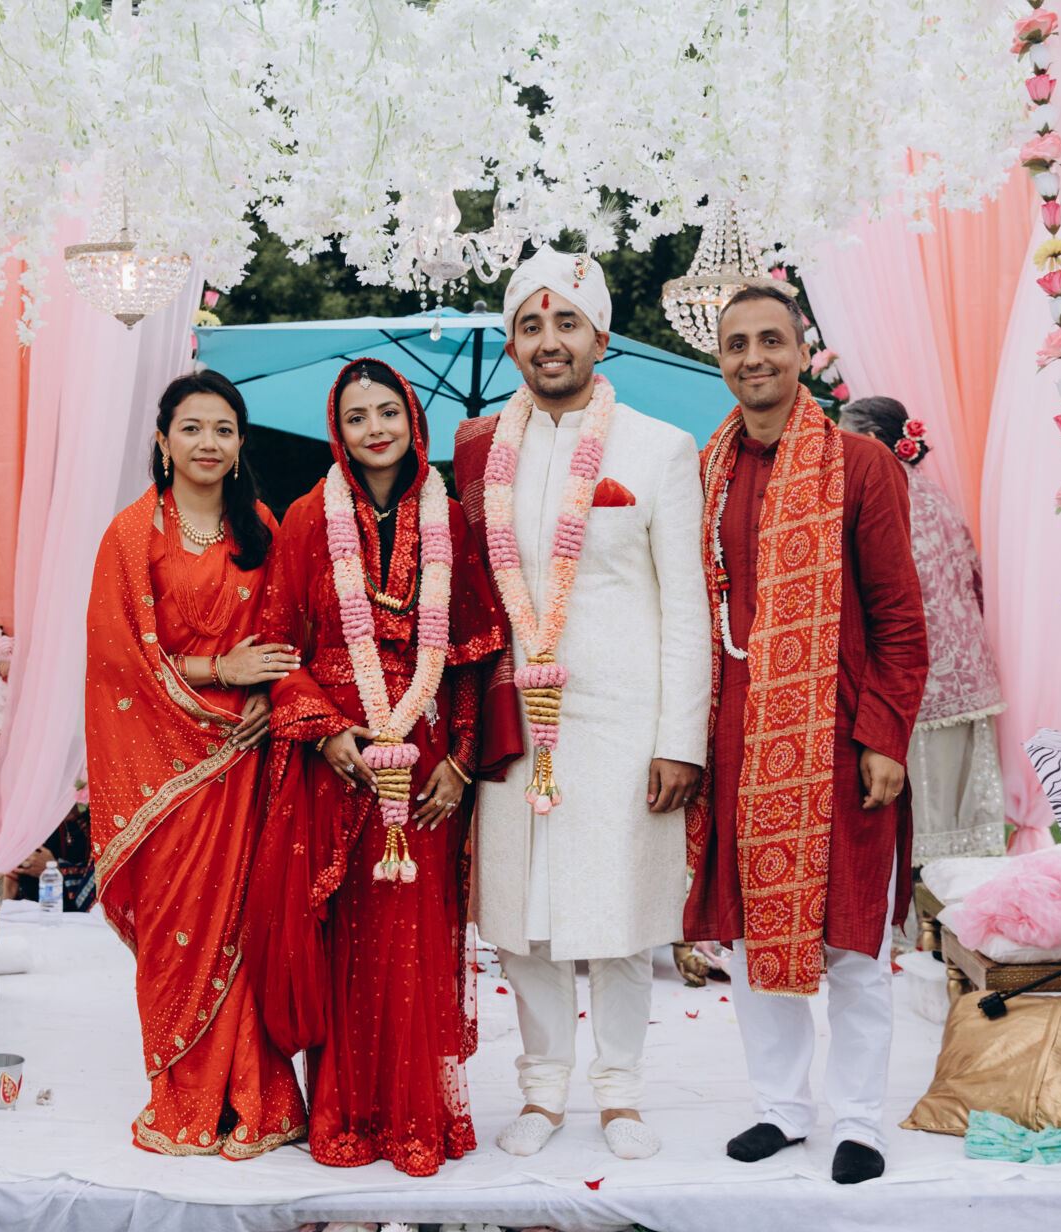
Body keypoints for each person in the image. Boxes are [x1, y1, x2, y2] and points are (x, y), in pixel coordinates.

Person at [453, 247, 711, 1162]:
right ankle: (543, 1088)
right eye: (530, 325)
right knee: (523, 915)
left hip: (622, 720)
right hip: (514, 716)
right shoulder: (481, 451)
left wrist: (681, 740)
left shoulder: (658, 447)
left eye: (566, 322)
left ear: (601, 337)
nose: (548, 341)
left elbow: (686, 606)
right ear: (512, 344)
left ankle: (621, 1094)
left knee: (619, 914)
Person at [683, 285, 928, 1185]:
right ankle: (782, 1109)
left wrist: (885, 737)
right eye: (737, 344)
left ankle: (859, 1120)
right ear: (721, 359)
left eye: (771, 341)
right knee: (754, 945)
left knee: (854, 943)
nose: (754, 358)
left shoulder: (860, 466)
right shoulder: (706, 472)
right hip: (737, 743)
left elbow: (900, 619)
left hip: (839, 738)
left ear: (801, 351)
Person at [247, 358, 506, 1178]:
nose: (374, 429)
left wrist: (461, 763)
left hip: (423, 765)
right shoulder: (305, 518)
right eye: (357, 417)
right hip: (339, 763)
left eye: (387, 412)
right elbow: (278, 648)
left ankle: (415, 1118)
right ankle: (346, 1114)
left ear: (413, 420)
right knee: (344, 942)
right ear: (337, 429)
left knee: (413, 937)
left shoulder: (452, 521)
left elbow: (473, 653)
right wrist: (326, 735)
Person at [84, 369, 308, 1158]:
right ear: (163, 441)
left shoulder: (263, 529)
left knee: (245, 923)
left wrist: (272, 695)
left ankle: (255, 1097)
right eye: (192, 428)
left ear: (240, 444)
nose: (208, 442)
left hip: (247, 761)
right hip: (167, 768)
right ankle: (183, 1097)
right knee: (178, 928)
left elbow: (291, 633)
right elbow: (117, 664)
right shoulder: (130, 535)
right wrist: (221, 672)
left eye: (223, 429)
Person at [839, 397, 1006, 863]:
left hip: (917, 680)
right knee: (957, 824)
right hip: (969, 673)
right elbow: (974, 581)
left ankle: (916, 906)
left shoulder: (881, 493)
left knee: (914, 821)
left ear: (871, 440)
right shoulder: (937, 496)